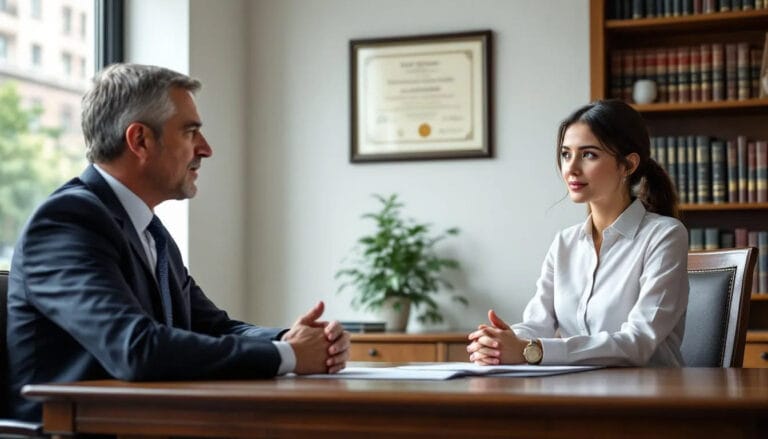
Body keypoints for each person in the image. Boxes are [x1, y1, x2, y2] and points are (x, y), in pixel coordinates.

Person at [6, 63, 350, 422]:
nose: (206, 149)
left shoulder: (148, 229)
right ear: (140, 140)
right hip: (76, 430)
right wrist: (289, 355)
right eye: (190, 132)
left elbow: (214, 328)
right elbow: (135, 348)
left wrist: (295, 339)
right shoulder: (66, 221)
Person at [467, 99, 688, 367]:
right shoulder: (565, 242)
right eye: (566, 154)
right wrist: (501, 342)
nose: (570, 168)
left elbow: (637, 342)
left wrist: (531, 351)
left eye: (588, 155)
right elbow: (537, 324)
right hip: (574, 394)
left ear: (628, 165)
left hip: (647, 398)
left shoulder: (664, 235)